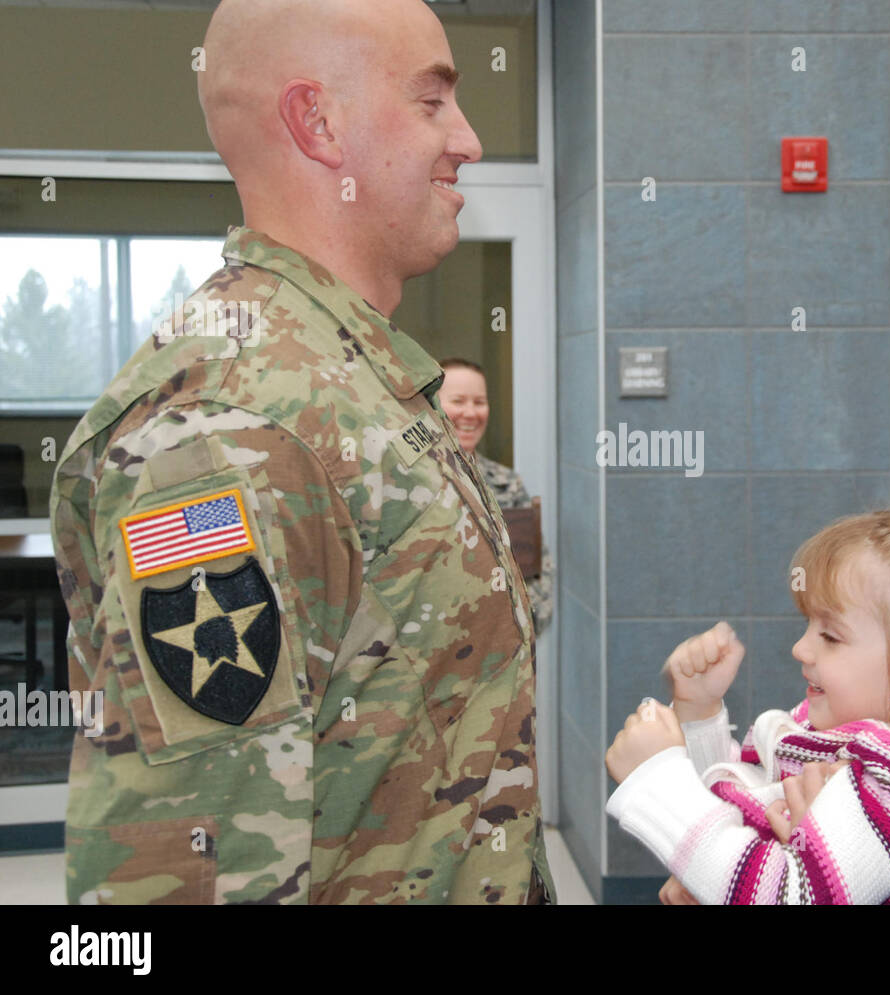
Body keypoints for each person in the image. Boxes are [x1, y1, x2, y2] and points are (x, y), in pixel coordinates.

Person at [48, 0, 552, 904]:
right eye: (434, 101)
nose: (468, 140)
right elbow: (190, 876)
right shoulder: (226, 429)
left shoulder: (354, 376)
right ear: (318, 123)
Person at [605, 506, 890, 904]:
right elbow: (744, 802)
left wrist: (658, 783)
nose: (800, 648)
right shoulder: (841, 734)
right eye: (808, 626)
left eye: (830, 637)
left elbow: (786, 896)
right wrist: (700, 714)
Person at [436, 358, 553, 634]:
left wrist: (509, 633)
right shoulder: (407, 482)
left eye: (479, 402)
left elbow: (538, 580)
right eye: (458, 401)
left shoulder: (506, 484)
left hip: (500, 657)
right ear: (432, 405)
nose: (470, 412)